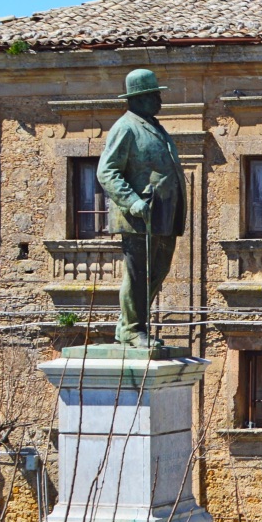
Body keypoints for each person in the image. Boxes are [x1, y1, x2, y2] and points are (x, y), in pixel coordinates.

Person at [97, 69, 185, 348]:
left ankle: (132, 325)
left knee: (157, 272)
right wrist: (132, 201)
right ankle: (132, 329)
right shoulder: (126, 127)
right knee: (138, 274)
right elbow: (107, 171)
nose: (159, 100)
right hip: (139, 216)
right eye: (154, 95)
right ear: (138, 98)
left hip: (163, 214)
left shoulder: (155, 126)